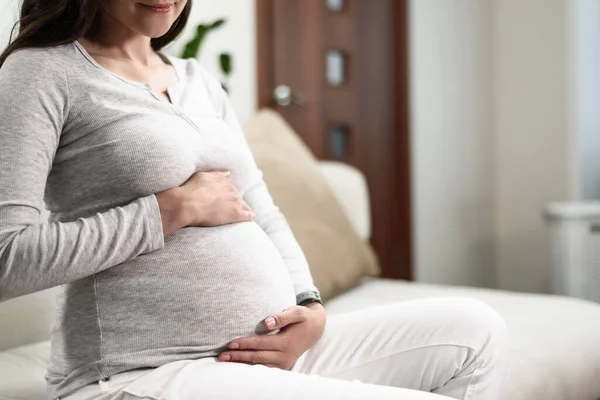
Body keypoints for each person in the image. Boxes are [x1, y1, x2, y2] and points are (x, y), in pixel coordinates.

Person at [0, 1, 508, 399]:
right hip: (142, 370)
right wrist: (167, 212)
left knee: (475, 331)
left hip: (258, 352)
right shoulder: (43, 71)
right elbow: (8, 258)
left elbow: (260, 206)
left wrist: (308, 304)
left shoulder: (197, 80)